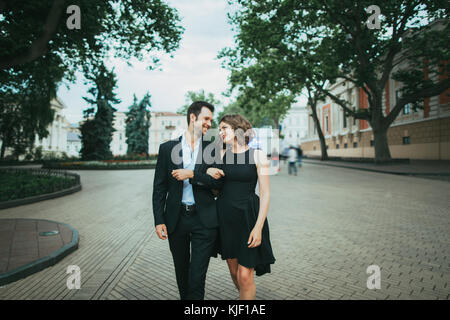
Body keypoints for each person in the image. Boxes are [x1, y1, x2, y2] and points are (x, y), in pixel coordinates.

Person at [152, 101, 224, 300]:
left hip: (205, 220)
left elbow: (218, 181)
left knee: (197, 276)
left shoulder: (213, 148)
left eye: (211, 119)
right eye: (206, 118)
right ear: (193, 117)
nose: (210, 123)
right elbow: (159, 187)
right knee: (182, 273)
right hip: (177, 220)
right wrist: (159, 220)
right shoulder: (167, 149)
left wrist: (192, 174)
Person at [206, 114, 275, 300]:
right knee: (235, 273)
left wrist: (259, 227)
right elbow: (213, 188)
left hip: (248, 218)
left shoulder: (258, 155)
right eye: (219, 129)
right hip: (226, 219)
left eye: (224, 128)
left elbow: (266, 193)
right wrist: (209, 170)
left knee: (245, 276)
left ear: (237, 129)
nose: (220, 132)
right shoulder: (220, 154)